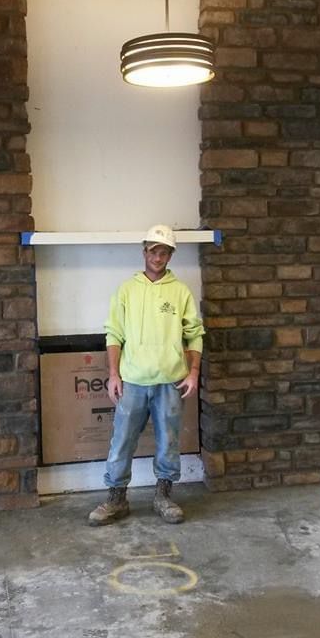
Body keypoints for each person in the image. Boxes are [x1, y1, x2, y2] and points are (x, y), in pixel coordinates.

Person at [88, 224, 204, 527]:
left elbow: (195, 334)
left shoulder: (180, 292)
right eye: (154, 251)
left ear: (170, 255)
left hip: (170, 381)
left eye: (164, 251)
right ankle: (116, 499)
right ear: (145, 252)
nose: (158, 256)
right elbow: (114, 334)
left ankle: (164, 496)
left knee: (169, 440)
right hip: (133, 381)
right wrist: (114, 374)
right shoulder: (127, 290)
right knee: (122, 439)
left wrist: (193, 372)